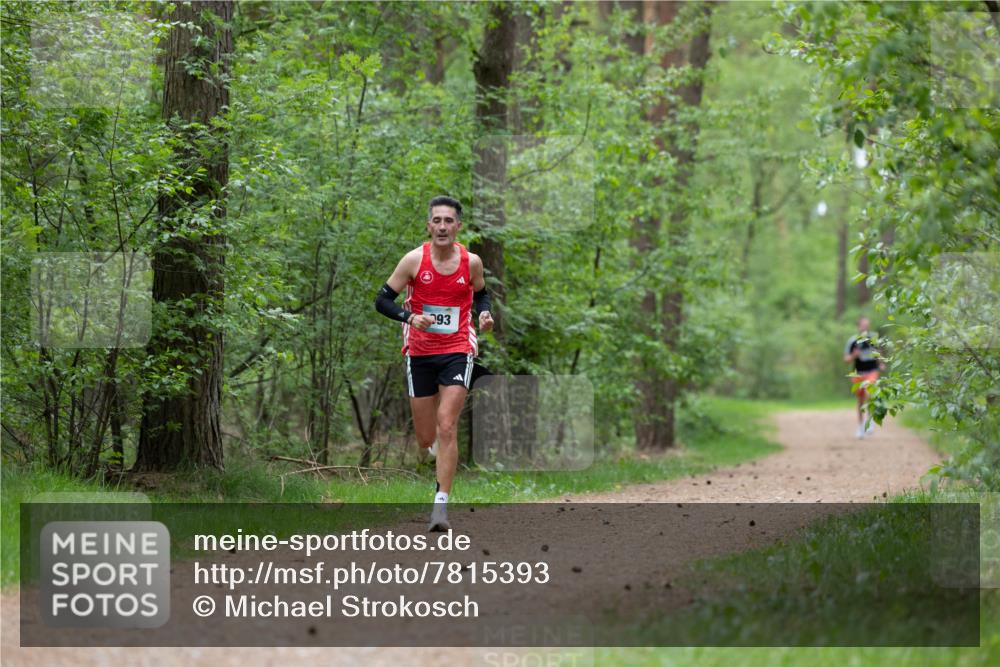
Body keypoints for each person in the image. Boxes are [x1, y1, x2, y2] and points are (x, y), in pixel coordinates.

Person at [374, 196, 494, 531]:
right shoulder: (413, 260)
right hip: (419, 352)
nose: (442, 226)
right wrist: (410, 317)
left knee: (447, 425)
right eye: (437, 221)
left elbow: (481, 293)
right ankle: (436, 451)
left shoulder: (471, 262)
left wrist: (484, 314)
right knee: (427, 437)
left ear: (458, 226)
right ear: (429, 226)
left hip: (457, 348)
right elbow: (381, 300)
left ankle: (440, 507)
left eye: (449, 221)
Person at [844, 316, 883, 439]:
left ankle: (870, 421)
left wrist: (881, 363)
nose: (865, 327)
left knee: (869, 391)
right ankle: (861, 427)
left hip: (871, 371)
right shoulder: (853, 341)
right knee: (860, 402)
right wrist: (854, 356)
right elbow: (846, 360)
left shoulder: (873, 339)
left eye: (867, 325)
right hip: (858, 373)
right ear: (859, 326)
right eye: (863, 325)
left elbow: (879, 353)